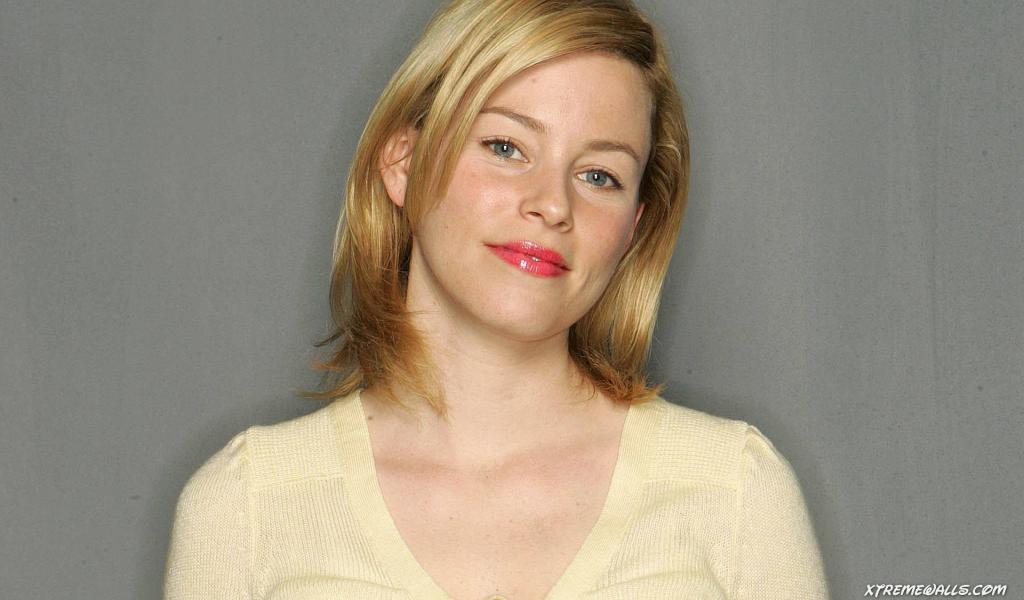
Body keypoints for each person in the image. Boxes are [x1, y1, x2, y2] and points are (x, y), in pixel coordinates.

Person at [163, 0, 829, 598]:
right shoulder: (247, 506)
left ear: (633, 226)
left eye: (600, 175)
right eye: (506, 147)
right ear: (403, 164)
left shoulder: (735, 492)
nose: (552, 204)